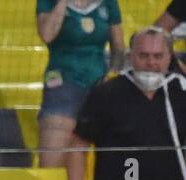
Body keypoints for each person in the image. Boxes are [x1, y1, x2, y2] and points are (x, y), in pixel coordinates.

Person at [66, 28, 186, 180]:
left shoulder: (182, 92)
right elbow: (77, 148)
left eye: (158, 56)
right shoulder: (107, 93)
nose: (151, 63)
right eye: (143, 56)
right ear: (131, 57)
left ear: (170, 58)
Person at [35, 0, 123, 168]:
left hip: (99, 87)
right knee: (51, 163)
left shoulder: (108, 2)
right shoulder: (47, 2)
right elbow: (47, 35)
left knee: (107, 160)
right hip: (62, 86)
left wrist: (113, 76)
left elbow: (118, 49)